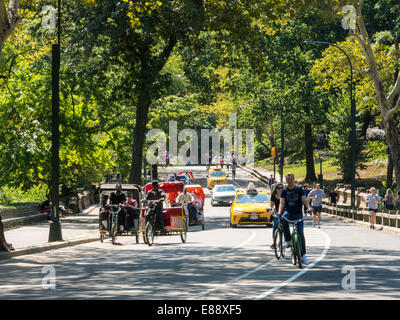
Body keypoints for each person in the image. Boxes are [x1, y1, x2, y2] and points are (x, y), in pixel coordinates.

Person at [277, 173, 313, 265]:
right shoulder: (284, 191)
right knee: (284, 219)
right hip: (288, 212)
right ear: (286, 180)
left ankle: (303, 255)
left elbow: (304, 200)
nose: (290, 181)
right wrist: (280, 212)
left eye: (291, 179)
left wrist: (308, 208)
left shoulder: (299, 189)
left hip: (298, 213)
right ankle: (288, 240)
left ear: (294, 180)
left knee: (300, 233)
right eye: (288, 180)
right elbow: (282, 203)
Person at [270, 183, 283, 249]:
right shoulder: (273, 195)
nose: (280, 189)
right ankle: (274, 242)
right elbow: (272, 205)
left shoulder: (284, 194)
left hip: (284, 210)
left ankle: (285, 241)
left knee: (284, 224)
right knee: (275, 226)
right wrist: (271, 209)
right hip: (277, 210)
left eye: (281, 188)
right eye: (278, 188)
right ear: (276, 189)